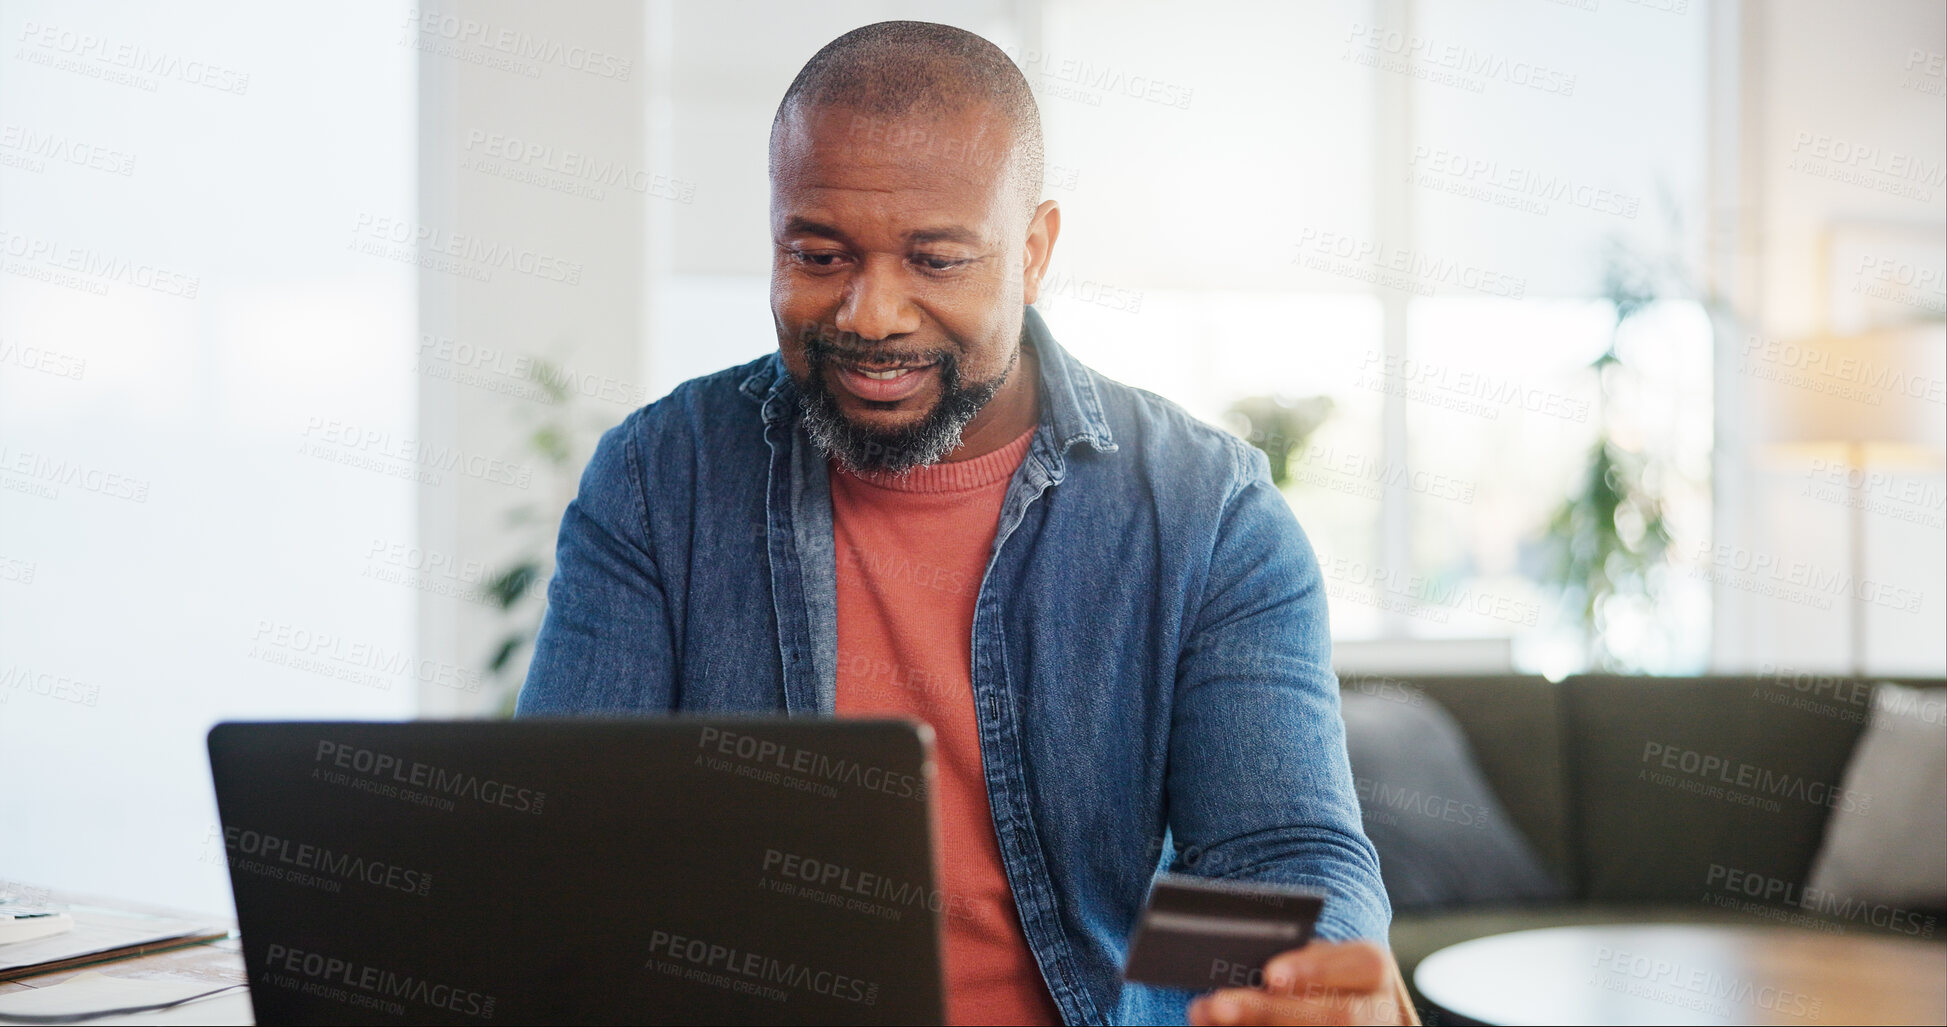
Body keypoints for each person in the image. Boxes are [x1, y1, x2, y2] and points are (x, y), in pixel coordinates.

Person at [517, 20, 1415, 1027]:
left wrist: (1316, 974)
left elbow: (1270, 856)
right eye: (817, 253)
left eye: (937, 260)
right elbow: (575, 846)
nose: (870, 314)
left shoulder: (1208, 515)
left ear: (1032, 252)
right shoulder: (657, 478)